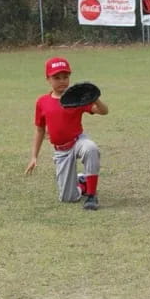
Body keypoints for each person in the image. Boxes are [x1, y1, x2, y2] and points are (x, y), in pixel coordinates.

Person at [25, 57, 109, 210]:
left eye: (65, 77)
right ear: (48, 79)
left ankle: (91, 195)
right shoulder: (42, 102)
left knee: (90, 148)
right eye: (56, 77)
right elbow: (40, 130)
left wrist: (95, 99)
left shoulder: (77, 98)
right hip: (61, 150)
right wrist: (34, 157)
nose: (62, 81)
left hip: (78, 141)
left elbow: (104, 111)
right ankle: (82, 183)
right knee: (67, 198)